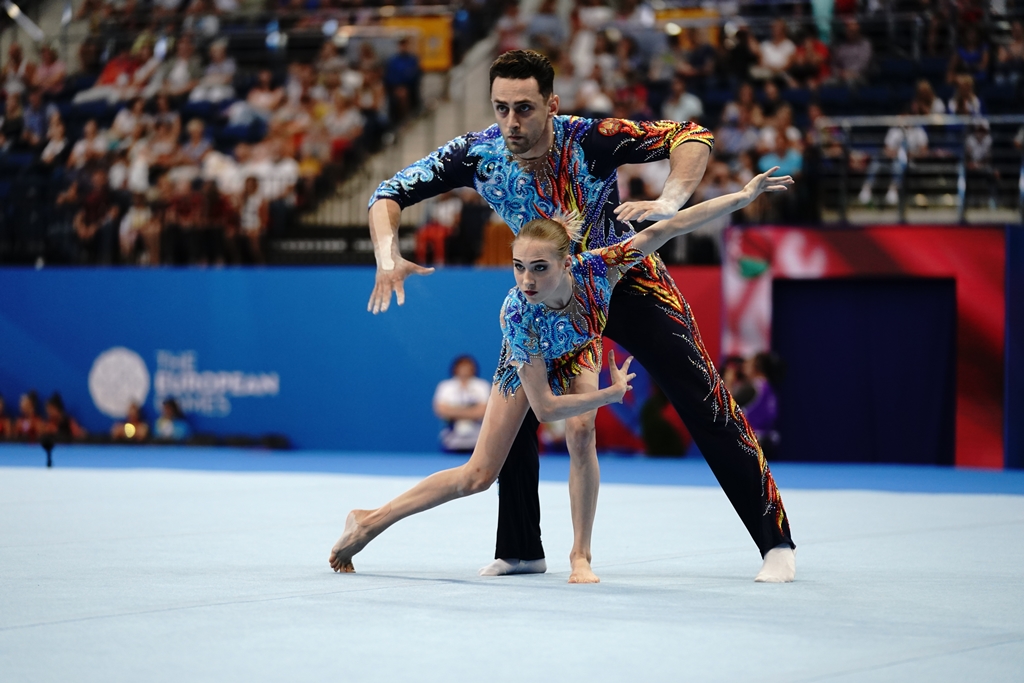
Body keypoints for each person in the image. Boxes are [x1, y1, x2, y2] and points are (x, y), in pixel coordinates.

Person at [360, 50, 796, 583]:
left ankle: (775, 541)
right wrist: (387, 254)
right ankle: (521, 549)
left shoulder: (590, 138)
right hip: (542, 298)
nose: (512, 122)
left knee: (702, 392)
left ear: (551, 104)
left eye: (524, 108)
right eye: (501, 108)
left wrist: (671, 198)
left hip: (623, 278)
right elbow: (388, 193)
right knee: (515, 416)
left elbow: (690, 134)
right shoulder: (478, 154)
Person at [433, 355, 491, 453]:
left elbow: (484, 410)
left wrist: (454, 411)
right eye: (462, 367)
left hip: (477, 440)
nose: (465, 370)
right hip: (450, 440)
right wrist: (471, 411)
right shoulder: (445, 387)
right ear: (455, 369)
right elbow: (441, 410)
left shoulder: (482, 386)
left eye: (467, 367)